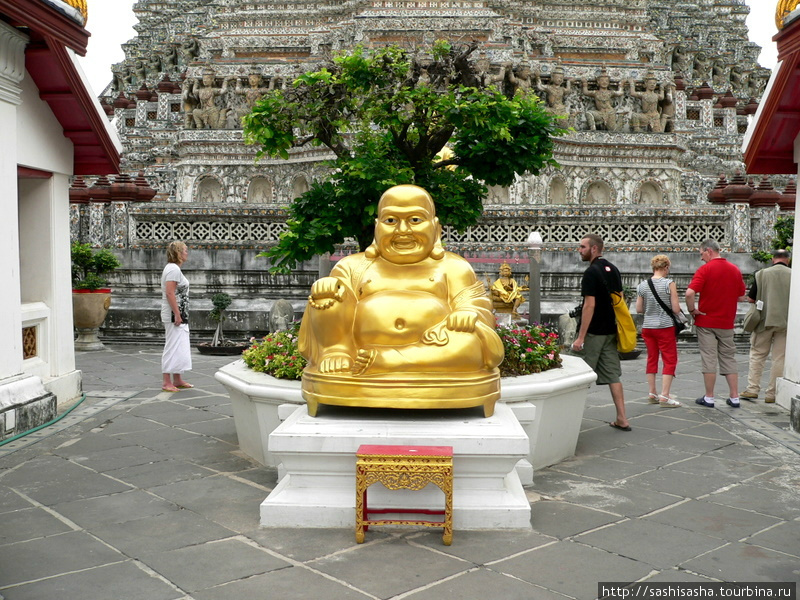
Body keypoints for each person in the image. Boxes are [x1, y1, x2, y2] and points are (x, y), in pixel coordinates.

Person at [298, 184, 504, 416]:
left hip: (433, 346)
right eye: (391, 220)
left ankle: (387, 361)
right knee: (327, 295)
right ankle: (337, 352)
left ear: (436, 228)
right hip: (356, 348)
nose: (403, 230)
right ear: (377, 227)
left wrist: (467, 314)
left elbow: (475, 303)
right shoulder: (353, 266)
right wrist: (327, 288)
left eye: (415, 219)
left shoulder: (453, 267)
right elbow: (335, 308)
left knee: (469, 345)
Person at [571, 234, 630, 431]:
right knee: (613, 376)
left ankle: (569, 419)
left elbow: (589, 305)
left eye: (582, 247)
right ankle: (622, 418)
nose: (580, 250)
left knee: (578, 376)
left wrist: (580, 337)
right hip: (611, 331)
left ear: (594, 249)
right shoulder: (613, 269)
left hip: (594, 332)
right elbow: (620, 300)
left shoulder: (591, 272)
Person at [685, 239, 746, 408]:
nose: (701, 258)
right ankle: (734, 396)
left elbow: (690, 293)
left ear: (709, 251)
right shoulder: (735, 270)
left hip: (706, 321)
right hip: (726, 321)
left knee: (709, 358)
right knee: (729, 358)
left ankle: (709, 396)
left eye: (701, 254)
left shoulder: (705, 269)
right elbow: (741, 295)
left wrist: (692, 310)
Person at [741, 249, 791, 403]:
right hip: (785, 322)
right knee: (779, 358)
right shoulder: (794, 275)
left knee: (757, 354)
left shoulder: (762, 274)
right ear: (788, 260)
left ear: (772, 258)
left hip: (764, 321)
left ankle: (752, 389)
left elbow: (751, 298)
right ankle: (772, 394)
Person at [636, 255, 682, 407]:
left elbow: (639, 309)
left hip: (648, 327)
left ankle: (652, 392)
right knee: (669, 359)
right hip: (665, 326)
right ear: (666, 267)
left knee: (651, 358)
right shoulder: (669, 284)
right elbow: (675, 309)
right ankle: (665, 395)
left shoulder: (642, 285)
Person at [161, 241, 193, 392]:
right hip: (175, 315)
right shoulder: (173, 269)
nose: (187, 253)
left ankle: (178, 378)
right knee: (172, 346)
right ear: (178, 253)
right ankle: (167, 381)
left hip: (180, 313)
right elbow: (169, 293)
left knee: (180, 346)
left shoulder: (174, 269)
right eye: (185, 250)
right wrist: (177, 314)